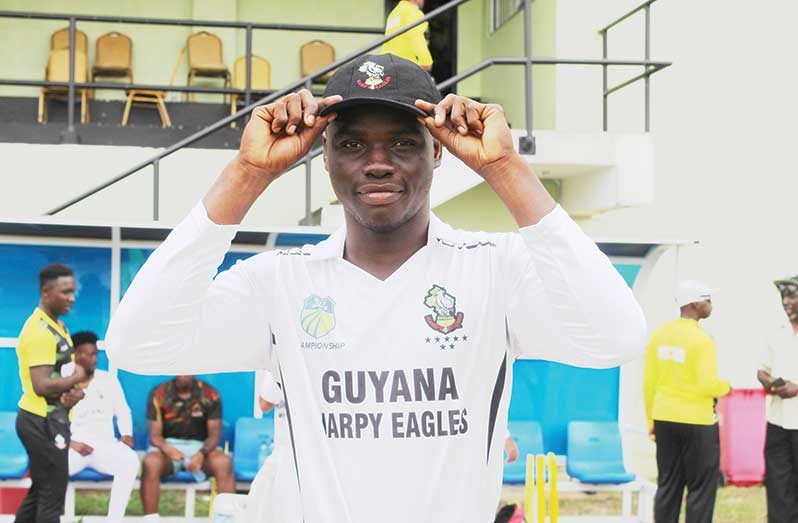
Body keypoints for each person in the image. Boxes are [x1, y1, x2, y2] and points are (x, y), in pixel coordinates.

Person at [106, 52, 646, 522]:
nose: (378, 163)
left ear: (437, 152)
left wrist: (506, 168)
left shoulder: (494, 270)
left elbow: (616, 337)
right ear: (325, 156)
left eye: (403, 143)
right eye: (354, 144)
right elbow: (138, 344)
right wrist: (249, 172)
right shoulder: (281, 281)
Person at [643, 280, 731, 523]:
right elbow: (707, 383)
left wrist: (650, 420)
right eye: (707, 299)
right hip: (697, 421)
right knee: (701, 487)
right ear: (693, 304)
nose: (711, 304)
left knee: (668, 484)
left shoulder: (660, 335)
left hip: (664, 418)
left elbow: (649, 382)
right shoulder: (702, 340)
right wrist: (725, 387)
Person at [14, 263, 86, 523]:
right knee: (52, 496)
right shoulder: (40, 332)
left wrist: (73, 391)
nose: (71, 297)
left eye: (73, 291)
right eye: (65, 292)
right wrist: (78, 377)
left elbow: (58, 375)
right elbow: (42, 385)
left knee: (41, 491)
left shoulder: (56, 325)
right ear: (46, 292)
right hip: (41, 422)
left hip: (51, 418)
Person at [140, 375, 234, 522]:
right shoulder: (159, 393)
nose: (184, 373)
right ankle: (150, 519)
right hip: (168, 447)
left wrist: (201, 454)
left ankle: (227, 519)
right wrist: (168, 449)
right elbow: (155, 436)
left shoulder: (210, 394)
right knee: (150, 462)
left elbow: (214, 436)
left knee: (224, 462)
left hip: (201, 447)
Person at [68, 331, 139, 523]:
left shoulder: (108, 380)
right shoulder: (63, 378)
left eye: (95, 354)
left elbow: (123, 411)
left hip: (104, 446)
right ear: (75, 355)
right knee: (50, 465)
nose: (93, 359)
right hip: (73, 447)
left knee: (130, 461)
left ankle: (114, 520)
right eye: (88, 354)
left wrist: (126, 434)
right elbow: (52, 419)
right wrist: (71, 443)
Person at [758, 275, 798, 523]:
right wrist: (767, 381)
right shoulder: (776, 332)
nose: (786, 302)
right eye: (783, 296)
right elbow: (762, 368)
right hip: (778, 422)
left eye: (792, 296)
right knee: (778, 484)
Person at [245, 371, 301, 522]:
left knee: (261, 499)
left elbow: (264, 403)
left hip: (288, 451)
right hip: (309, 449)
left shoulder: (285, 360)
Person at [383, 0, 433, 72]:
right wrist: (426, 62)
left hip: (388, 64)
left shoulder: (394, 13)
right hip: (407, 66)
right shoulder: (413, 12)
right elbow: (416, 37)